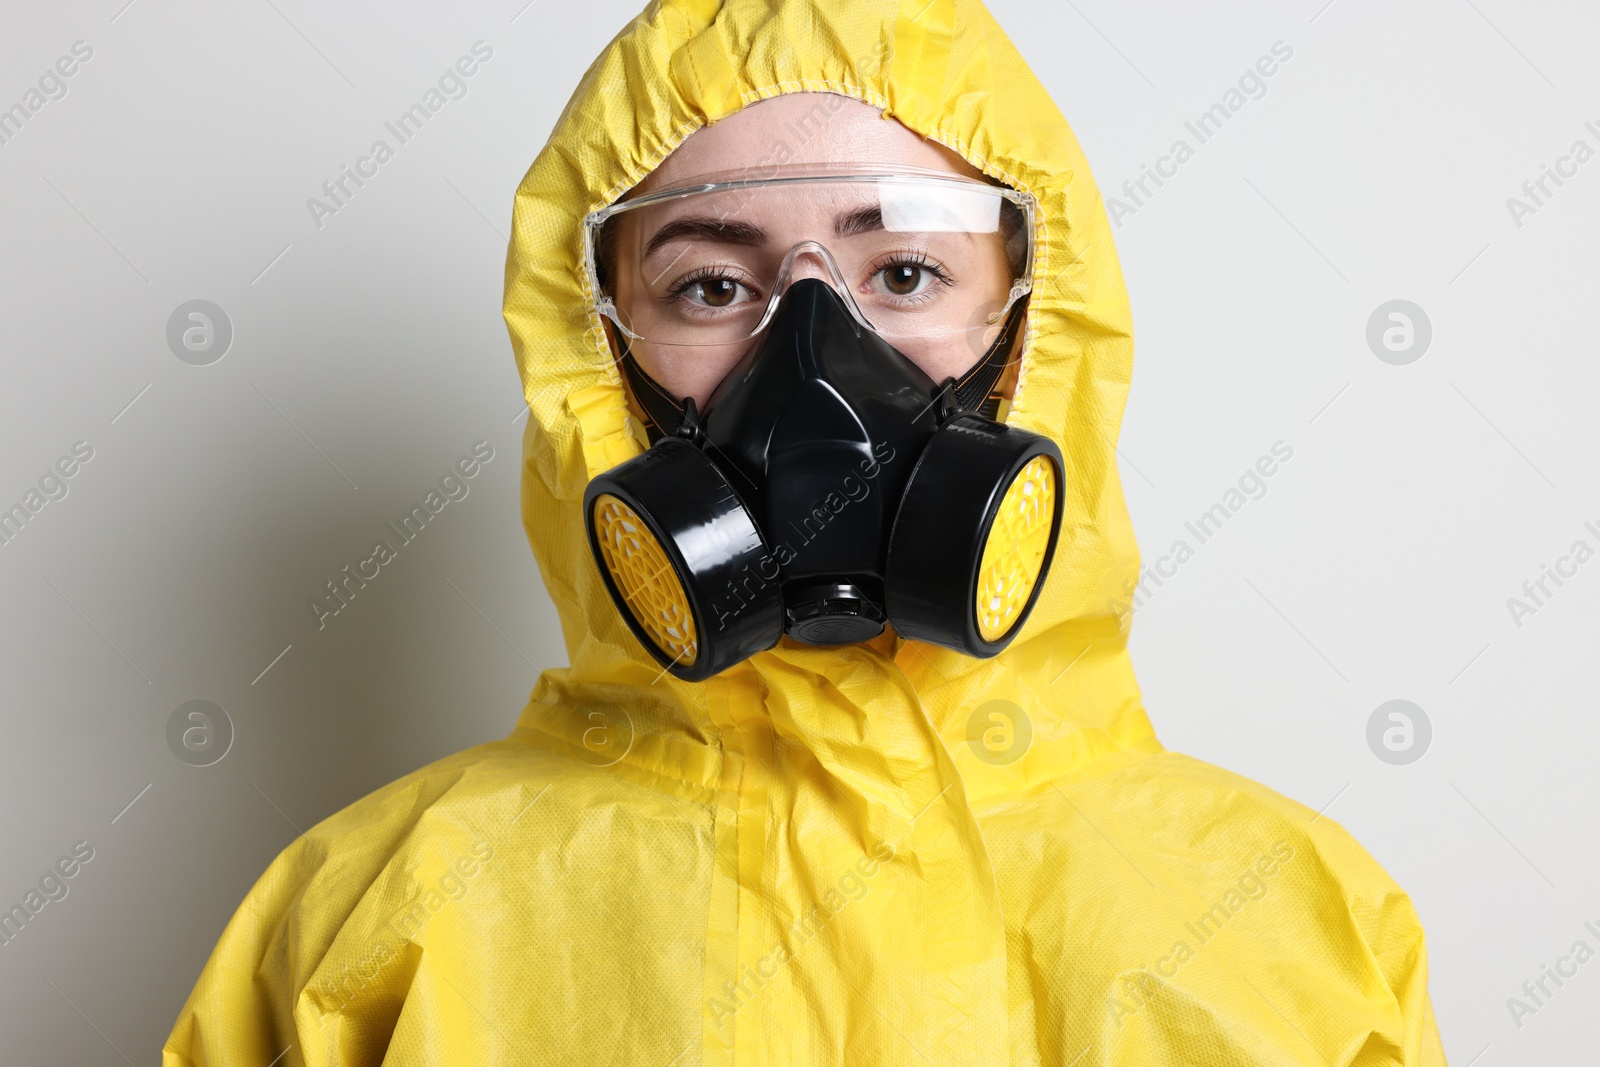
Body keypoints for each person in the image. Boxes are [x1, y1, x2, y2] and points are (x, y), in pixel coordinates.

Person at [163, 1, 1448, 1064]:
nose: (814, 358)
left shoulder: (1295, 919)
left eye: (904, 272)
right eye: (711, 284)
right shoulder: (370, 930)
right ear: (593, 355)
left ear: (1033, 328)